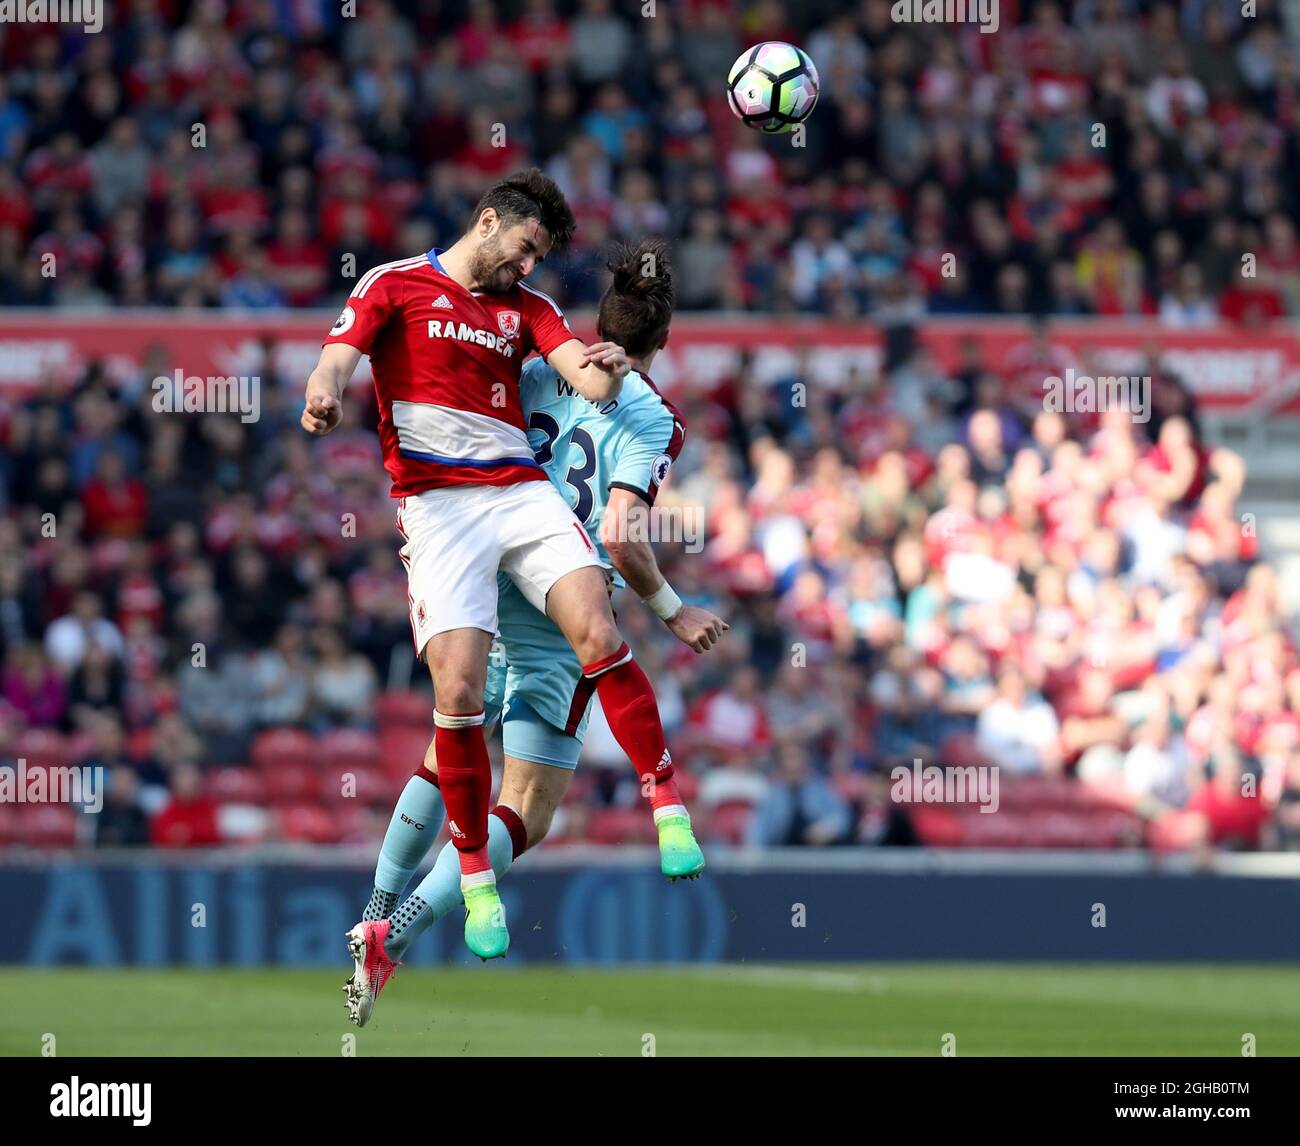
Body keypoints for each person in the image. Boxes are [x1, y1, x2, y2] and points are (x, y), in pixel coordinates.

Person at [303, 169, 693, 964]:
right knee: (528, 794)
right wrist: (673, 608)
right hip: (460, 519)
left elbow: (580, 374)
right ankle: (402, 921)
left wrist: (600, 366)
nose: (529, 266)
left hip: (518, 507)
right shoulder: (399, 285)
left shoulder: (534, 323)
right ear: (488, 222)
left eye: (541, 256)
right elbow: (336, 355)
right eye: (525, 248)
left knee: (453, 726)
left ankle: (384, 903)